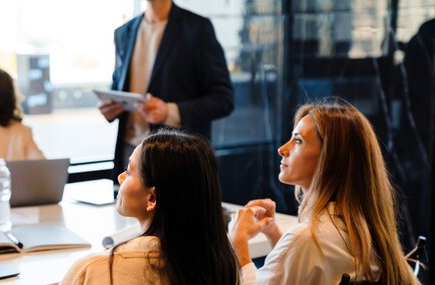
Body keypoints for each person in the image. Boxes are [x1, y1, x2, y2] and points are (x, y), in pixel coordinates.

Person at [231, 99, 419, 284]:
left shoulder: (306, 240)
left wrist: (238, 245)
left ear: (329, 158)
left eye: (298, 140)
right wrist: (275, 235)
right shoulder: (363, 233)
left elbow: (305, 252)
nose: (282, 149)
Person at [61, 129, 240, 284]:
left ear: (152, 198)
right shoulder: (223, 266)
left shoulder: (94, 270)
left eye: (130, 172)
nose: (120, 177)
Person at [99, 0, 234, 179]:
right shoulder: (124, 33)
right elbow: (118, 87)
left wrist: (169, 112)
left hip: (177, 156)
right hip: (130, 154)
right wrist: (110, 109)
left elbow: (223, 98)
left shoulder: (197, 28)